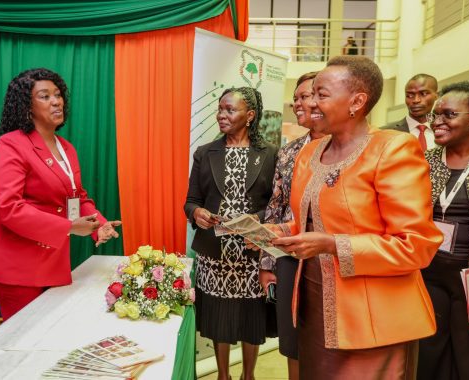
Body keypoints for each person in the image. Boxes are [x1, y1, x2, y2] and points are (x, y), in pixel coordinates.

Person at [270, 56, 443, 379]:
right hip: (314, 310)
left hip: (373, 321)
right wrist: (273, 232)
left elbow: (417, 245)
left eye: (321, 94)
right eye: (309, 95)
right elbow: (309, 221)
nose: (310, 103)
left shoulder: (392, 150)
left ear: (357, 101)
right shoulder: (310, 152)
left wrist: (334, 245)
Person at [0, 68, 121, 320]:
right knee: (26, 341)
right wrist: (68, 226)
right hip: (15, 265)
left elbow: (77, 197)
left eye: (57, 94)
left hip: (50, 261)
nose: (56, 101)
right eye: (44, 96)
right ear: (27, 106)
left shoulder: (66, 148)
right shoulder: (11, 144)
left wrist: (99, 224)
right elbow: (8, 207)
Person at [184, 87, 278, 380]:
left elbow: (278, 204)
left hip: (252, 254)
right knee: (219, 319)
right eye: (220, 109)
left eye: (230, 110)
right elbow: (191, 201)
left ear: (249, 116)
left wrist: (257, 219)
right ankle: (223, 375)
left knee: (251, 319)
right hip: (216, 254)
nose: (221, 115)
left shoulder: (270, 154)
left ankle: (248, 375)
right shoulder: (205, 153)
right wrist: (196, 214)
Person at [258, 71, 324, 380]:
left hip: (332, 260)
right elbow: (276, 207)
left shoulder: (357, 149)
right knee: (293, 342)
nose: (297, 104)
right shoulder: (287, 151)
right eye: (295, 98)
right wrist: (267, 262)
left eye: (305, 96)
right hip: (288, 258)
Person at [418, 81, 469, 380]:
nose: (437, 122)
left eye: (449, 114)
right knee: (427, 356)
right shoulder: (423, 162)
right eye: (435, 115)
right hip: (428, 275)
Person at [383, 73, 439, 151]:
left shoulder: (447, 131)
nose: (416, 100)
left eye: (424, 94)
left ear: (437, 95)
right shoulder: (386, 133)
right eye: (410, 95)